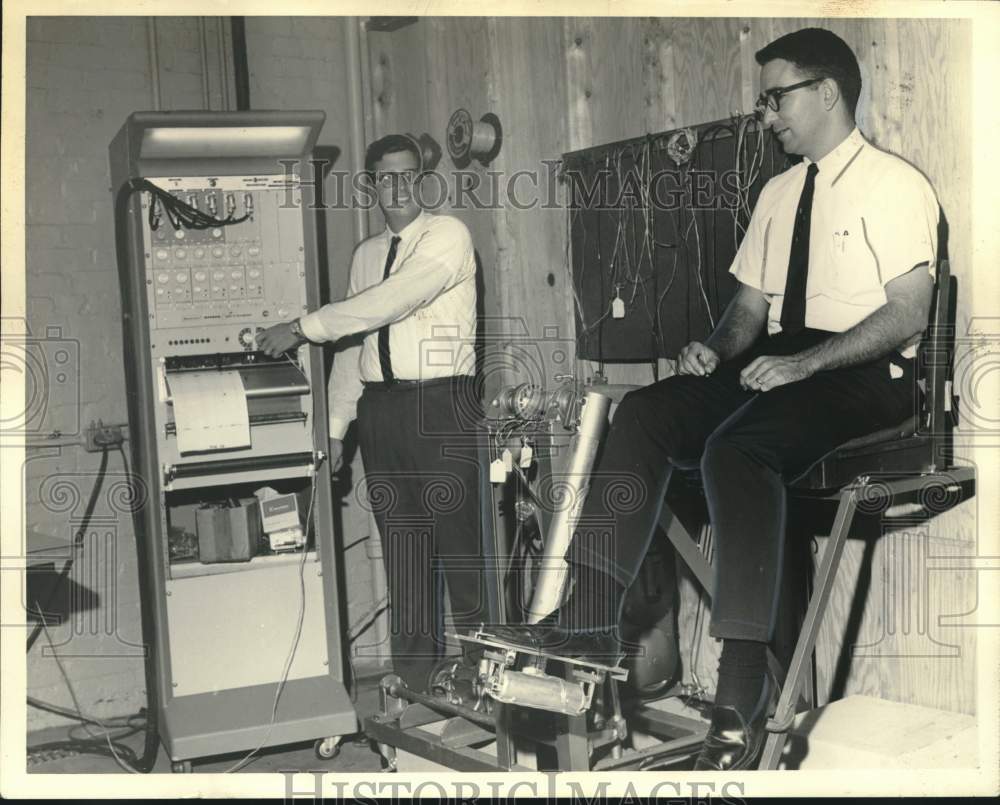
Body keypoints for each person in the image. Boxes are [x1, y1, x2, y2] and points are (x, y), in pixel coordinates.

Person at [493, 28, 939, 771]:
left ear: (826, 91)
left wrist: (806, 362)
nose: (766, 116)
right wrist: (717, 348)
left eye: (776, 98)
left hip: (867, 373)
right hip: (786, 360)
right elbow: (750, 310)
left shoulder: (896, 185)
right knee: (645, 413)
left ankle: (739, 696)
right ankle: (590, 623)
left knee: (738, 447)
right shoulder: (777, 193)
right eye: (763, 102)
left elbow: (908, 313)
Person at [258, 134, 484, 693]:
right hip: (382, 412)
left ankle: (490, 689)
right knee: (405, 560)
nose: (399, 185)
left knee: (465, 556)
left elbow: (391, 301)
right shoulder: (365, 254)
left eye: (408, 174)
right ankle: (416, 686)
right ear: (371, 185)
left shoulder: (448, 235)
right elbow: (354, 349)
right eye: (386, 176)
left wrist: (301, 327)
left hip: (443, 407)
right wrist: (336, 428)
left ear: (423, 179)